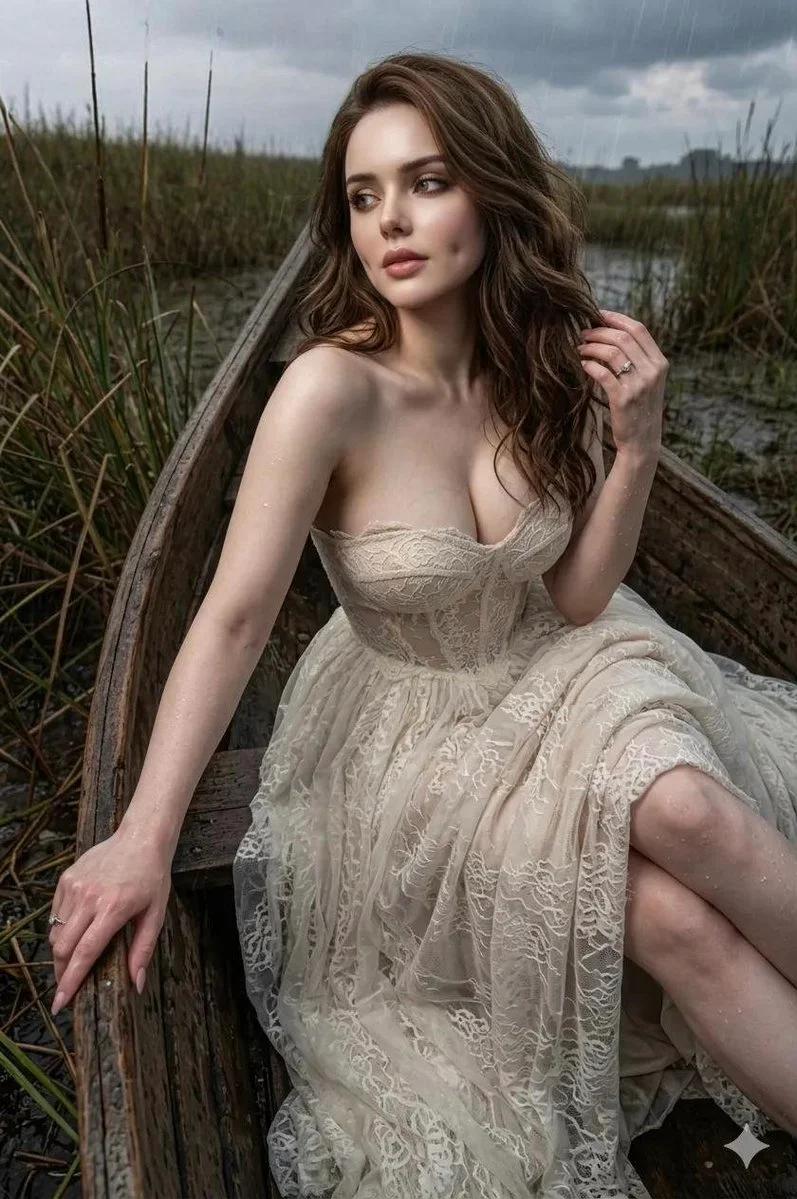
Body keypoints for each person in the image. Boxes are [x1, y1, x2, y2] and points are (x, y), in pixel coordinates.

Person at [48, 51, 797, 1199]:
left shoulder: (541, 361)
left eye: (426, 181)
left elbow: (574, 600)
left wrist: (637, 448)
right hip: (414, 738)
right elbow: (235, 618)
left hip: (555, 667)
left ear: (491, 193)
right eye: (362, 195)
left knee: (688, 811)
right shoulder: (328, 391)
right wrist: (144, 834)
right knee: (663, 904)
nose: (389, 220)